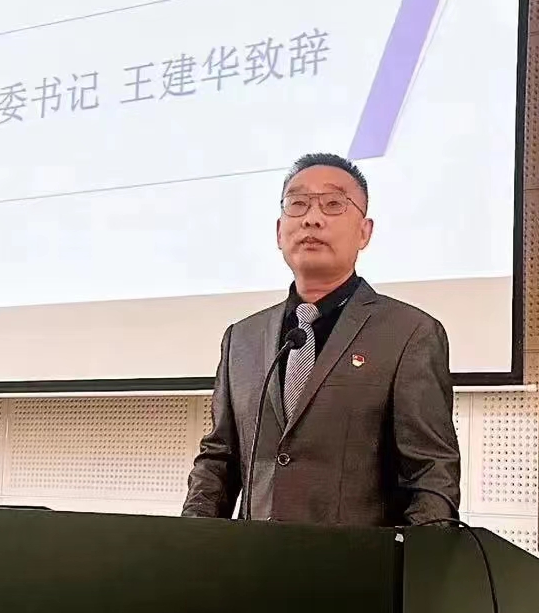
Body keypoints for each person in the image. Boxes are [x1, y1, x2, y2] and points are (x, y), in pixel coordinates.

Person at [182, 152, 460, 526]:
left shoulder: (409, 333)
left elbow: (431, 475)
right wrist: (189, 544)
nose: (312, 218)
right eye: (297, 204)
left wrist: (414, 557)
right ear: (279, 231)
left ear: (364, 232)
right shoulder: (242, 339)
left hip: (357, 560)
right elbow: (218, 461)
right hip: (252, 558)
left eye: (333, 204)